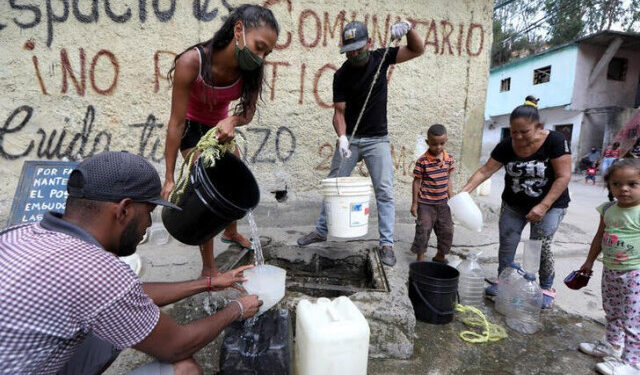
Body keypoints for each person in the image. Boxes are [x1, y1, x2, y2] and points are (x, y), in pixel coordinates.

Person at [0, 151, 261, 374]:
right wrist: (236, 309)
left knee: (114, 326)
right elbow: (176, 345)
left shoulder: (19, 233)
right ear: (123, 210)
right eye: (148, 212)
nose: (148, 224)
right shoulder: (97, 272)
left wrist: (208, 282)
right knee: (184, 369)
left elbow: (125, 296)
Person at [162, 4, 279, 278]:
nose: (261, 57)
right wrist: (168, 177)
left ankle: (231, 232)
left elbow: (246, 113)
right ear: (239, 30)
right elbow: (176, 123)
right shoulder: (192, 62)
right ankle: (209, 269)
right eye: (259, 46)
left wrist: (232, 121)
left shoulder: (251, 69)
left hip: (220, 128)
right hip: (192, 129)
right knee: (209, 192)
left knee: (236, 183)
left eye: (267, 52)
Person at [296, 19, 425, 267]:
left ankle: (386, 244)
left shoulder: (382, 57)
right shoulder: (341, 75)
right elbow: (339, 113)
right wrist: (342, 137)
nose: (354, 53)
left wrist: (409, 30)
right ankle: (321, 230)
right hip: (352, 139)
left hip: (378, 139)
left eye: (358, 47)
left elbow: (417, 49)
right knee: (333, 184)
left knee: (384, 192)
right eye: (349, 49)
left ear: (369, 42)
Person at [460, 101, 572, 309]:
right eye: (514, 132)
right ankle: (503, 279)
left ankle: (546, 286)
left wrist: (543, 206)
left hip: (550, 205)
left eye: (524, 132)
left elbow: (564, 176)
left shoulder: (555, 141)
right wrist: (464, 192)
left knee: (540, 245)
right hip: (514, 204)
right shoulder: (506, 145)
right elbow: (485, 170)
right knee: (508, 241)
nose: (519, 137)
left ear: (539, 126)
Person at [577, 158, 640, 375]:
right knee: (612, 310)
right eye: (617, 184)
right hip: (611, 270)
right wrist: (589, 261)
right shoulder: (608, 209)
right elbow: (599, 237)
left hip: (636, 273)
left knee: (634, 319)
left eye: (632, 184)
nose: (624, 189)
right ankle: (613, 345)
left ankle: (633, 363)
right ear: (609, 186)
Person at [410, 124, 455, 263]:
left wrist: (452, 199)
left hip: (443, 203)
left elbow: (447, 179)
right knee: (423, 230)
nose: (439, 147)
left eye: (442, 143)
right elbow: (416, 182)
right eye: (434, 144)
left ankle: (440, 256)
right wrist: (415, 204)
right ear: (427, 142)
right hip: (425, 204)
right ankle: (420, 258)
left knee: (447, 230)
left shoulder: (448, 159)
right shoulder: (422, 161)